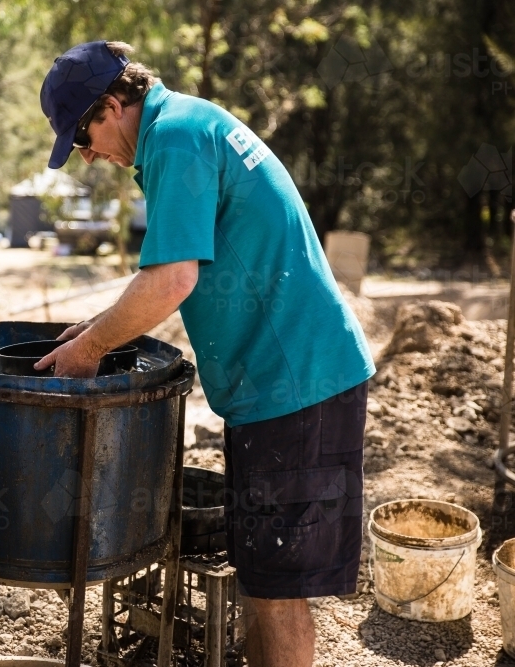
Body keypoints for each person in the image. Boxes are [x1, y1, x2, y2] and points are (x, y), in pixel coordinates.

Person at [36, 40, 375, 667]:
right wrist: (96, 325)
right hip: (276, 386)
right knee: (262, 576)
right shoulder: (186, 125)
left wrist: (91, 348)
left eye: (82, 137)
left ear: (112, 105)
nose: (87, 156)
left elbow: (171, 281)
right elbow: (168, 274)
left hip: (295, 384)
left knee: (278, 592)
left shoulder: (176, 138)